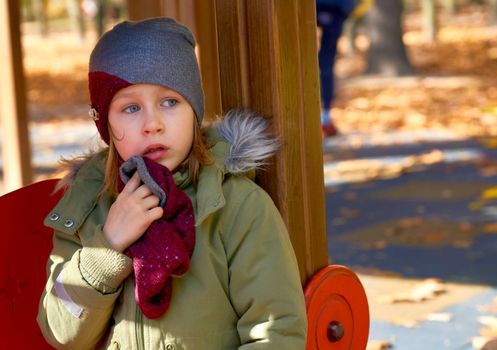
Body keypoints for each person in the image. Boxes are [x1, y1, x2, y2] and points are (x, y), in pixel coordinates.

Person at [37, 17, 307, 349]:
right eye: (131, 107)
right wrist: (106, 247)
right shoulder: (87, 208)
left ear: (193, 110)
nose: (153, 124)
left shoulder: (236, 206)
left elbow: (275, 330)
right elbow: (62, 333)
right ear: (105, 122)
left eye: (170, 102)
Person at [317, 0, 355, 138]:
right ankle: (325, 116)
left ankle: (325, 117)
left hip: (332, 7)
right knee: (326, 64)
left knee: (325, 65)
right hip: (334, 7)